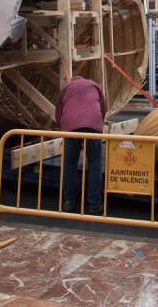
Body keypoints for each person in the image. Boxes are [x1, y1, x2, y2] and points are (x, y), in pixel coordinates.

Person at [56, 75, 107, 215]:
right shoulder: (94, 84)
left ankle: (69, 202)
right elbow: (103, 108)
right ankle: (94, 205)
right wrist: (99, 124)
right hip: (93, 125)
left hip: (70, 126)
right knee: (95, 164)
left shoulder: (66, 88)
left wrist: (62, 128)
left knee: (70, 165)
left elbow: (58, 112)